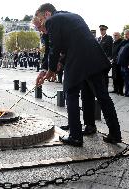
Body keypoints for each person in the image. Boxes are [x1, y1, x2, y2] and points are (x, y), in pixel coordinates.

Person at [35, 3, 122, 146]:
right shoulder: (72, 16)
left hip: (78, 60)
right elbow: (69, 43)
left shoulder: (52, 21)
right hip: (95, 59)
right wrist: (53, 66)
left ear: (46, 14)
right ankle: (114, 134)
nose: (41, 23)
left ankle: (75, 136)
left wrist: (51, 70)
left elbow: (54, 47)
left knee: (71, 93)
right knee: (102, 97)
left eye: (40, 18)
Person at [117, 29, 129, 97]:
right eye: (124, 34)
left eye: (127, 34)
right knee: (125, 79)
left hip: (128, 64)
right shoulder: (125, 42)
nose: (125, 35)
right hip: (123, 64)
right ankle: (127, 91)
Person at [98, 25, 113, 90]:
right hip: (99, 59)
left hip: (106, 59)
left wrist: (109, 57)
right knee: (100, 74)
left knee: (104, 74)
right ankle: (101, 87)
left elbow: (111, 48)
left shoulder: (109, 38)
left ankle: (105, 88)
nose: (101, 31)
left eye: (103, 30)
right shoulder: (99, 38)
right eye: (101, 30)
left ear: (105, 30)